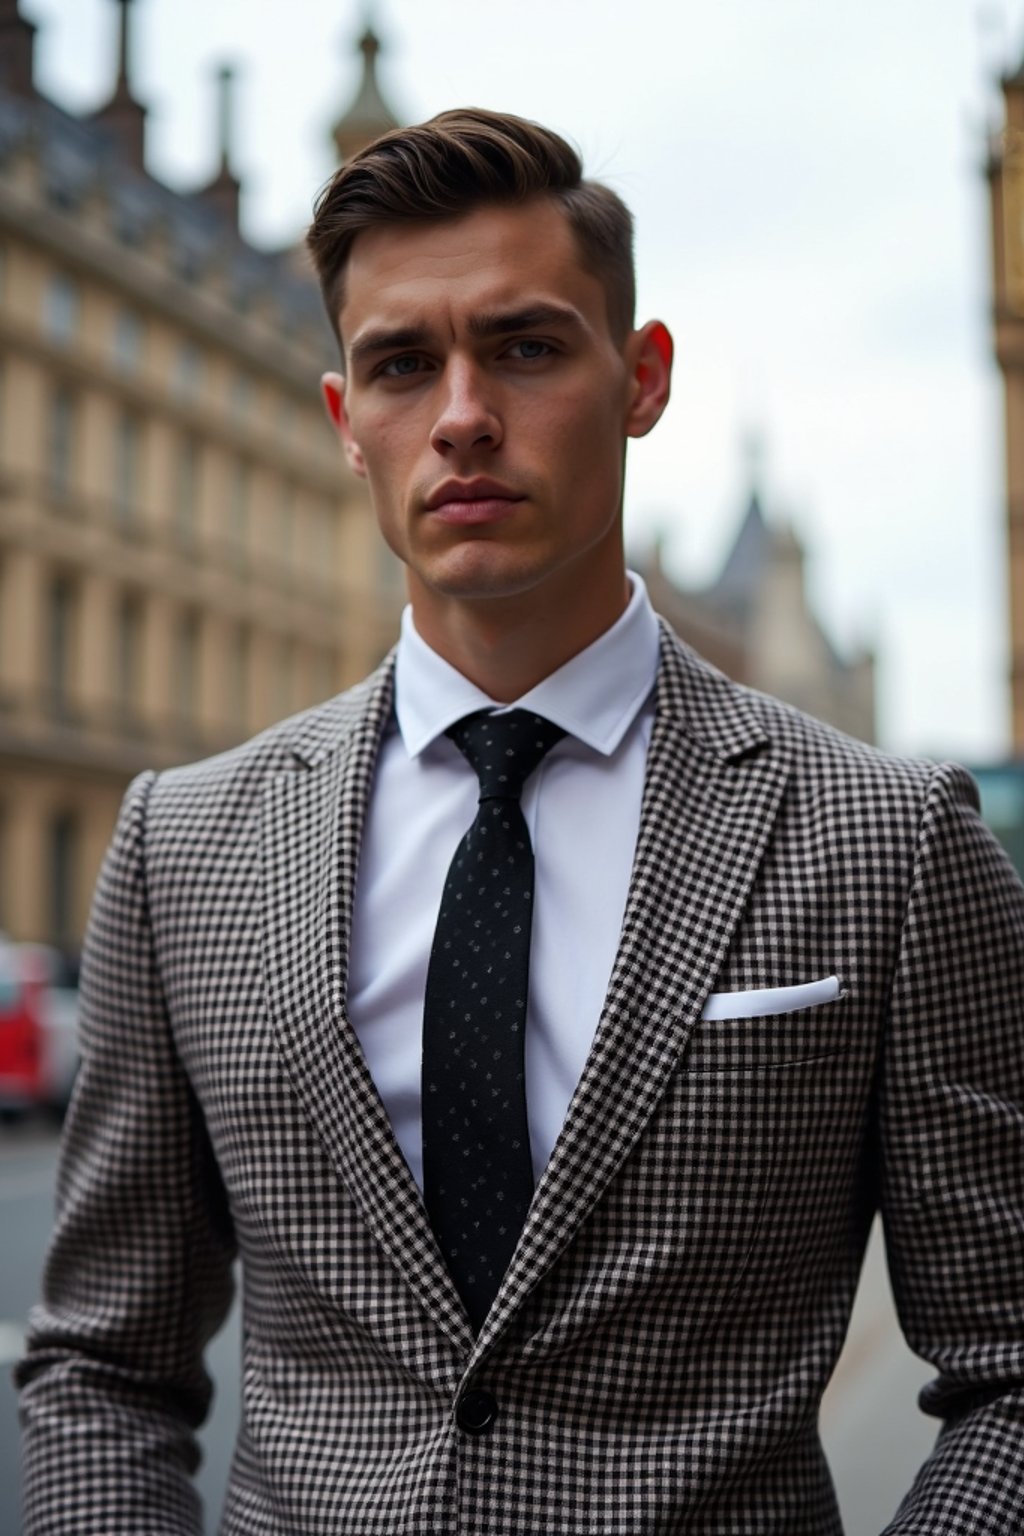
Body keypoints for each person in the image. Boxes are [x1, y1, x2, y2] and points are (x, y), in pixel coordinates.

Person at [16, 108, 1024, 1535]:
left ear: (643, 378)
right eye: (402, 364)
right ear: (345, 423)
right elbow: (105, 1367)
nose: (463, 412)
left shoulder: (890, 837)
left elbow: (1012, 1367)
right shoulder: (184, 846)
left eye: (529, 346)